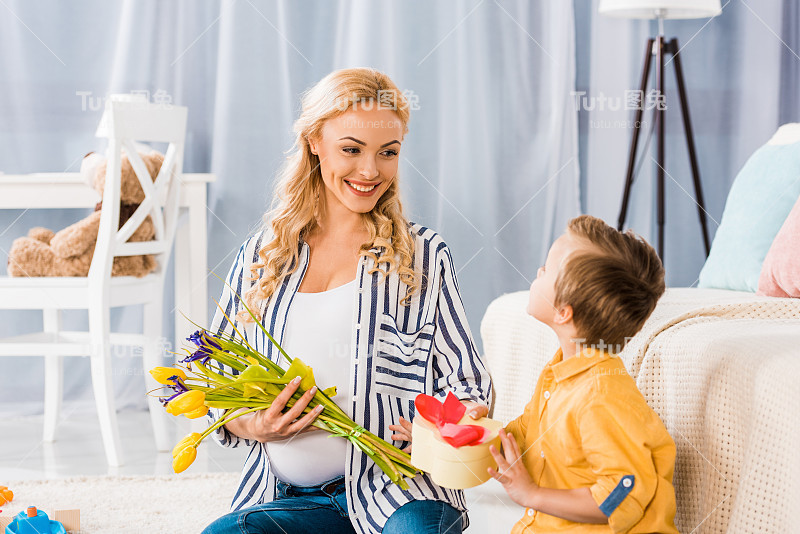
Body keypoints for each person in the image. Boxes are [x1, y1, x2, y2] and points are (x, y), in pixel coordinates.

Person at [202, 68, 491, 534]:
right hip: (288, 498)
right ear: (315, 141)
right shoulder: (262, 255)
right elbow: (213, 377)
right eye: (351, 149)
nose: (370, 171)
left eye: (388, 153)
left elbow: (466, 380)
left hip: (402, 491)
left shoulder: (422, 256)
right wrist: (252, 427)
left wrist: (454, 424)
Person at [488, 215, 678, 533]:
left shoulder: (601, 398)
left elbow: (618, 496)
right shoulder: (559, 373)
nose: (538, 271)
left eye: (546, 269)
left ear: (564, 312)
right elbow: (518, 439)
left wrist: (533, 494)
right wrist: (450, 435)